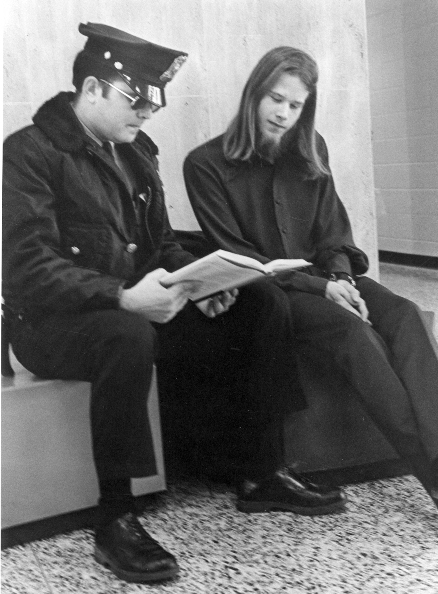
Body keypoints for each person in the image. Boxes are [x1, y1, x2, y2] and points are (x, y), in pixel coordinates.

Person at [2, 28, 347, 585]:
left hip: (132, 305)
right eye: (136, 101)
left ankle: (261, 472)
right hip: (49, 324)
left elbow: (159, 242)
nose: (147, 114)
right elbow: (27, 267)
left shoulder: (136, 150)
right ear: (93, 89)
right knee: (126, 334)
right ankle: (116, 518)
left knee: (258, 304)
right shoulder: (28, 152)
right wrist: (120, 295)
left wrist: (201, 285)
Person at [184, 46, 438, 511]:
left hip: (327, 278)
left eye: (296, 105)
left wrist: (339, 278)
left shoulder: (310, 148)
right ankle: (432, 475)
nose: (283, 114)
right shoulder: (204, 164)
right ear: (253, 95)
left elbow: (333, 233)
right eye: (275, 99)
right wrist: (323, 289)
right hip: (271, 293)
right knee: (352, 332)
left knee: (403, 313)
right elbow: (242, 262)